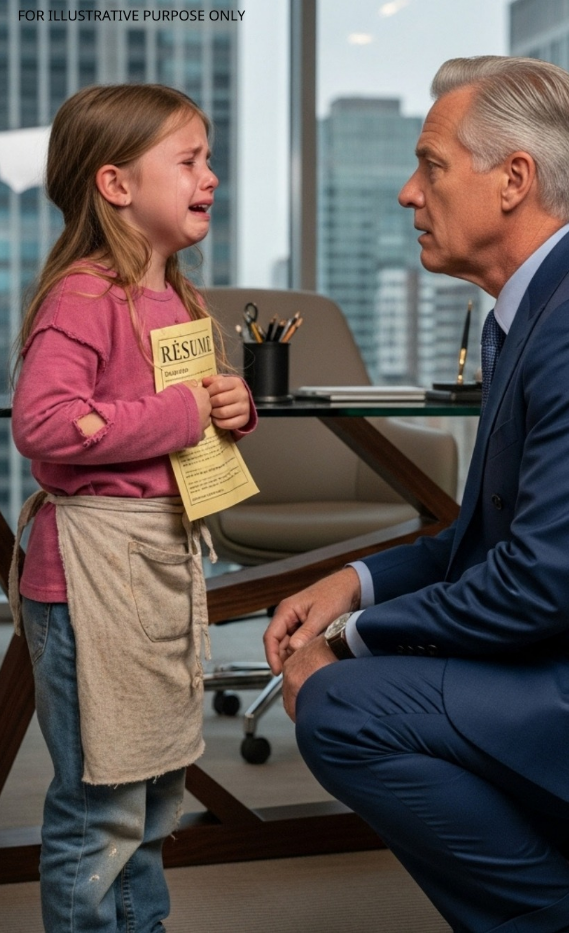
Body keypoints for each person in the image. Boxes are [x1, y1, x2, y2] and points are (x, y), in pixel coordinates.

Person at [265, 56, 569, 933]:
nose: (410, 193)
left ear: (514, 180)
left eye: (431, 165)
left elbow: (532, 585)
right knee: (381, 673)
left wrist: (347, 643)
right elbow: (480, 545)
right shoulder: (547, 307)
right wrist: (356, 584)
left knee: (342, 706)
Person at [10, 84, 256, 932]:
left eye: (208, 159)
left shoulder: (180, 300)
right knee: (100, 804)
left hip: (152, 562)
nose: (210, 176)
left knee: (153, 797)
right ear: (116, 185)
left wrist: (230, 407)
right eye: (189, 160)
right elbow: (43, 426)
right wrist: (187, 411)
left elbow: (176, 425)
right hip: (90, 580)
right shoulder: (84, 297)